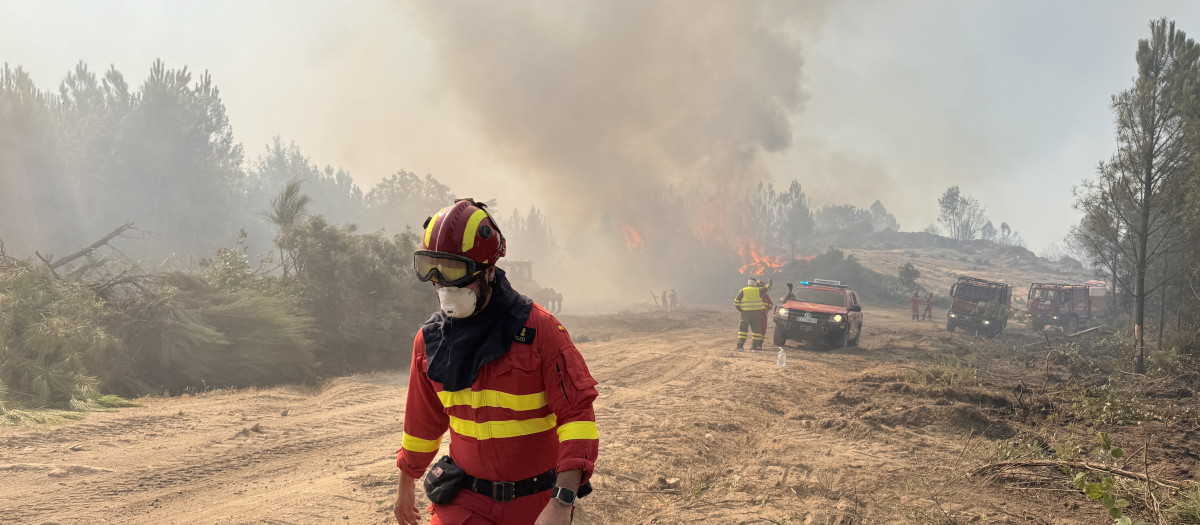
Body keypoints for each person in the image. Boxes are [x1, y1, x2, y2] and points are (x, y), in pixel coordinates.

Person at [395, 199, 599, 525]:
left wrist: (562, 502)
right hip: (464, 501)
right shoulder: (429, 344)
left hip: (536, 504)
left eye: (455, 272)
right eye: (434, 270)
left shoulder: (541, 332)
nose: (444, 285)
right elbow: (422, 424)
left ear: (489, 271)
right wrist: (406, 481)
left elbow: (578, 417)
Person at [733, 278, 770, 350]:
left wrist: (740, 310)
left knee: (743, 330)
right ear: (754, 283)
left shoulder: (743, 290)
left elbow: (736, 302)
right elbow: (767, 288)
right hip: (757, 314)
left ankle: (740, 346)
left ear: (748, 283)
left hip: (745, 314)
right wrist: (770, 283)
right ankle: (754, 347)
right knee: (756, 331)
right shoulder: (759, 290)